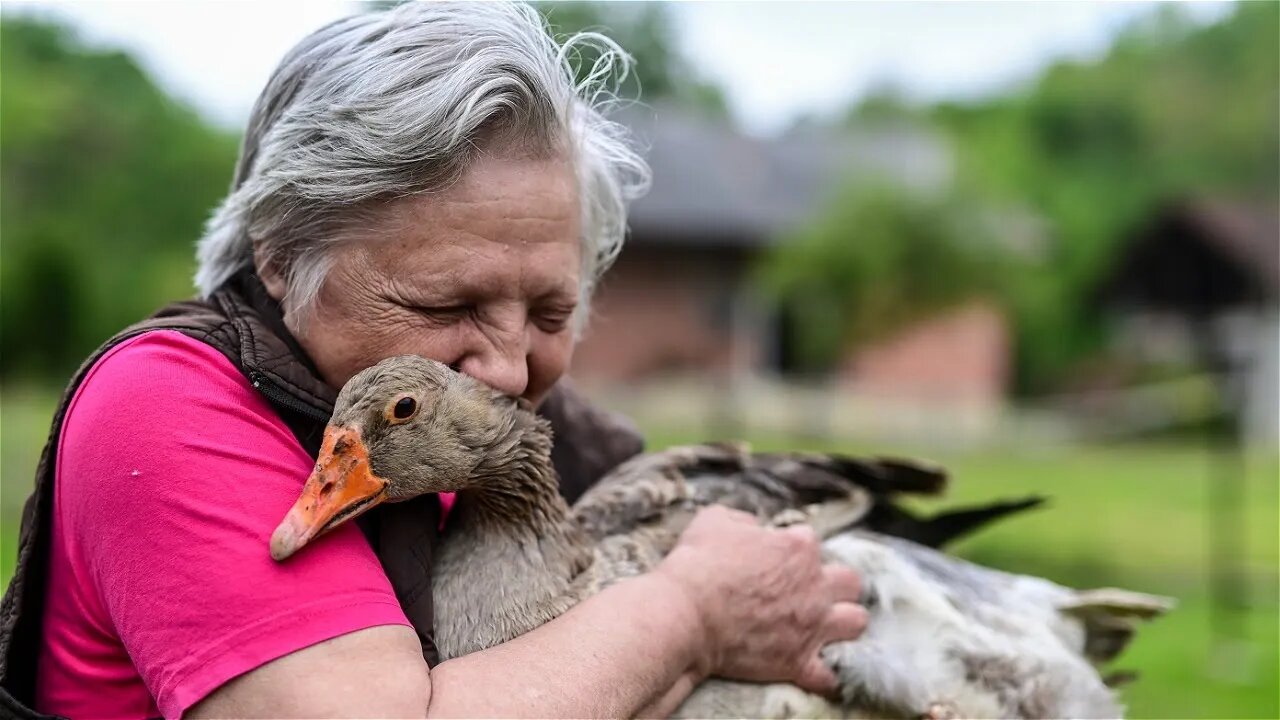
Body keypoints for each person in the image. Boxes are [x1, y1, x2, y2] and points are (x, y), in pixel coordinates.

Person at [0, 3, 867, 717]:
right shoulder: (166, 408)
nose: (505, 371)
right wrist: (692, 613)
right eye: (445, 306)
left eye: (550, 312)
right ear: (280, 256)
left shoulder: (504, 415)